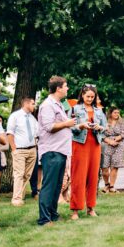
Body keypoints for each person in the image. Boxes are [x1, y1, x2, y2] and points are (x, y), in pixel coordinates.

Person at [37, 76, 77, 226]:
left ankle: (53, 214)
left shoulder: (59, 104)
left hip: (61, 150)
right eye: (66, 86)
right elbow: (49, 126)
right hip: (51, 150)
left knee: (57, 185)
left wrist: (79, 126)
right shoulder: (47, 105)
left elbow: (65, 126)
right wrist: (67, 123)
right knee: (49, 185)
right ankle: (44, 218)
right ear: (58, 88)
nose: (67, 89)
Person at [70, 85, 105, 218]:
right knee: (78, 177)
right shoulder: (75, 108)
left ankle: (91, 208)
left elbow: (105, 127)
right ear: (82, 95)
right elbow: (69, 126)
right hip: (80, 144)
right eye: (88, 96)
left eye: (92, 97)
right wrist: (80, 125)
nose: (90, 99)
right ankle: (75, 209)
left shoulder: (99, 111)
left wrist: (99, 127)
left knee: (93, 177)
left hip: (95, 145)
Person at [6, 97, 38, 206]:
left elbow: (37, 134)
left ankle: (21, 196)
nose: (35, 105)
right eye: (33, 103)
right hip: (19, 150)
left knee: (27, 175)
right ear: (26, 104)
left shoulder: (33, 119)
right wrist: (14, 149)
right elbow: (10, 133)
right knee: (19, 174)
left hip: (32, 150)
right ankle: (16, 199)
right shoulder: (15, 116)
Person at [101, 108, 124, 193]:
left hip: (119, 145)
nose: (117, 114)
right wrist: (109, 141)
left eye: (118, 113)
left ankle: (112, 186)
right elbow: (100, 134)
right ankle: (106, 185)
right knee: (104, 167)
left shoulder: (121, 122)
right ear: (110, 113)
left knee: (115, 166)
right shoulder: (104, 122)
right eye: (115, 112)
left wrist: (117, 139)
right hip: (106, 145)